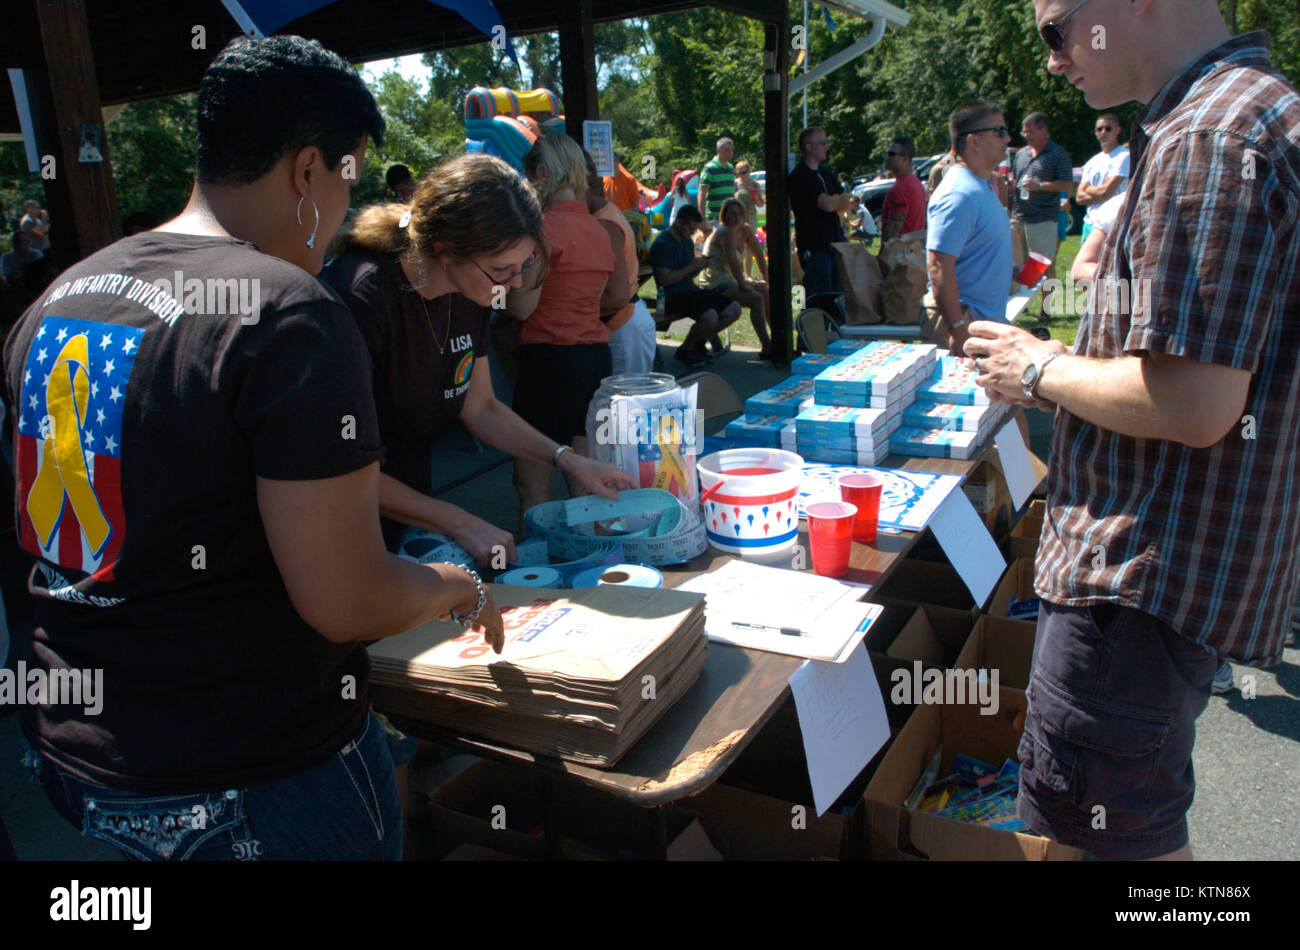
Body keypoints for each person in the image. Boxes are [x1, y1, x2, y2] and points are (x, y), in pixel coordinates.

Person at [3, 35, 504, 862]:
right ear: (309, 171)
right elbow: (348, 601)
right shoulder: (291, 315)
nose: (348, 210)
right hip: (253, 774)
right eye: (346, 180)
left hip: (82, 756)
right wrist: (454, 585)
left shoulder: (64, 293)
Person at [966, 0, 1300, 861]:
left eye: (1054, 29)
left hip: (1136, 571)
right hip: (1176, 570)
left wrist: (1038, 370)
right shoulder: (1248, 109)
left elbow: (1192, 401)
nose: (1052, 60)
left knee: (1111, 849)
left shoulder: (1207, 137)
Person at [323, 154, 634, 567]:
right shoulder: (360, 299)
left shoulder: (474, 290)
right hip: (335, 528)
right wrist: (459, 523)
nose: (516, 283)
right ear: (445, 251)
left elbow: (481, 406)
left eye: (522, 266)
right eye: (502, 270)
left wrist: (568, 460)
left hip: (404, 505)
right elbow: (338, 469)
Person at [504, 135, 629, 518]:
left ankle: (532, 569)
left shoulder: (538, 232)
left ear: (542, 174)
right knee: (585, 478)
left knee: (532, 482)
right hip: (594, 358)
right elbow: (617, 297)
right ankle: (591, 558)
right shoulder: (607, 230)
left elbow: (522, 308)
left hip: (548, 359)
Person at [925, 101, 1015, 357]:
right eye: (999, 132)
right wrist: (958, 330)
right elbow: (938, 267)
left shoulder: (981, 184)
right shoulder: (958, 194)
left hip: (983, 328)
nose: (1007, 138)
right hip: (968, 332)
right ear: (974, 141)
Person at [586, 153, 657, 376]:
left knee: (625, 405)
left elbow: (617, 295)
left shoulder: (604, 223)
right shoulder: (603, 214)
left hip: (624, 327)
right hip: (627, 325)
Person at [648, 205, 741, 366]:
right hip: (672, 296)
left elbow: (687, 273)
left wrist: (698, 267)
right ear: (679, 222)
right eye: (690, 228)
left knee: (734, 309)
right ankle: (686, 350)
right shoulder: (663, 244)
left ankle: (696, 344)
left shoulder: (686, 242)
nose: (692, 232)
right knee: (710, 316)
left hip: (691, 291)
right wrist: (691, 267)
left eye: (694, 228)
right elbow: (665, 279)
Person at [1012, 112, 1075, 308]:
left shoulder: (1058, 154)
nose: (1027, 136)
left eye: (1030, 131)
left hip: (1043, 219)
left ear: (1044, 130)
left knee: (1044, 265)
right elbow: (1015, 179)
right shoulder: (1021, 154)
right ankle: (1019, 306)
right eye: (1024, 133)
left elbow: (1067, 184)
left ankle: (1046, 309)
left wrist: (1040, 186)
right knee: (1016, 265)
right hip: (1018, 217)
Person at [698, 198, 772, 359]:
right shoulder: (724, 231)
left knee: (766, 291)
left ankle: (777, 339)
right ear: (724, 215)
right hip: (714, 282)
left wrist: (767, 279)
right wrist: (743, 284)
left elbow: (759, 255)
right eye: (732, 213)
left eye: (739, 213)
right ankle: (767, 346)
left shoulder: (745, 230)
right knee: (755, 299)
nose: (736, 217)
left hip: (731, 280)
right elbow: (732, 261)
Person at [788, 126, 851, 297]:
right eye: (822, 143)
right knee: (819, 297)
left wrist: (833, 201)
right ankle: (809, 321)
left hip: (834, 244)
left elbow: (846, 201)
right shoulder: (800, 176)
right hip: (814, 246)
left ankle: (834, 324)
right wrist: (834, 201)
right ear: (809, 147)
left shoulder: (825, 172)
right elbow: (828, 205)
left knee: (838, 295)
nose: (827, 147)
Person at [1075, 113, 1130, 242]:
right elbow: (1079, 197)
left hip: (1111, 224)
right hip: (1089, 224)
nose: (1103, 132)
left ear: (1118, 130)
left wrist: (1089, 189)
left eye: (1108, 128)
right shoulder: (1093, 161)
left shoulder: (1124, 156)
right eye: (1099, 129)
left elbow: (1107, 192)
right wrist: (1100, 192)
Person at [881, 136, 927, 242]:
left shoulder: (900, 189)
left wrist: (881, 257)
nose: (886, 157)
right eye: (887, 153)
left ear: (905, 158)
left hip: (898, 255)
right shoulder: (916, 183)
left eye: (891, 154)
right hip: (913, 253)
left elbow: (894, 230)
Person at [733, 160, 765, 275]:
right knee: (737, 246)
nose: (741, 175)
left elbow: (761, 204)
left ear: (749, 171)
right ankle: (739, 274)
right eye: (739, 173)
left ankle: (748, 275)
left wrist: (756, 197)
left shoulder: (754, 184)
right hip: (737, 218)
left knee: (749, 247)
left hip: (750, 217)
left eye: (744, 172)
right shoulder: (735, 184)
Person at [697, 137, 736, 224]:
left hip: (730, 217)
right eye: (726, 150)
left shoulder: (731, 168)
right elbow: (701, 194)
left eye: (732, 150)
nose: (730, 153)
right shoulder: (709, 168)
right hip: (714, 218)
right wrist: (702, 218)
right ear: (718, 150)